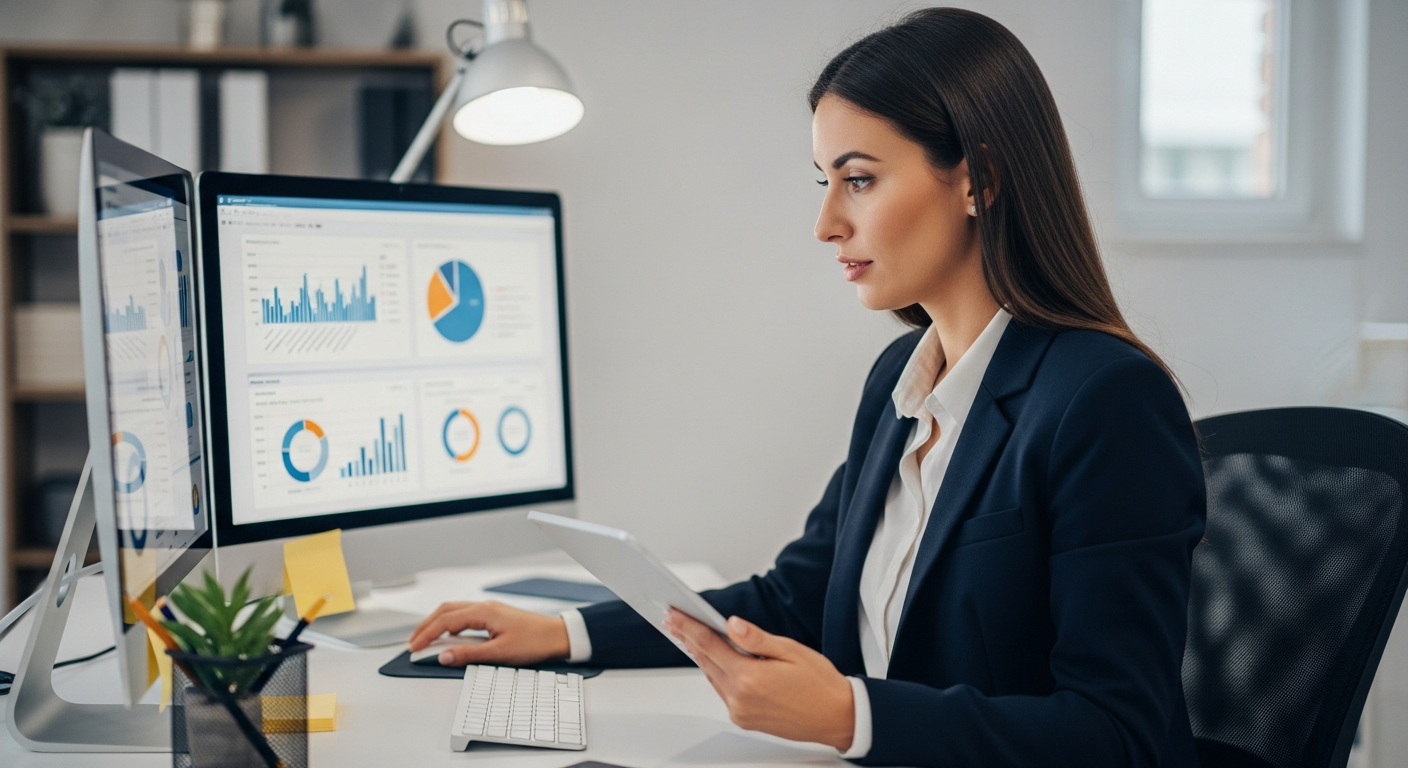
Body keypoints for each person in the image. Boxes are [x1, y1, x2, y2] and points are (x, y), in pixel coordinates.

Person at [408, 7, 1206, 766]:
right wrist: (565, 633)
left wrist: (849, 717)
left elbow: (1118, 736)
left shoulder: (1107, 403)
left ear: (979, 179)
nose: (826, 223)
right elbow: (797, 596)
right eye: (823, 180)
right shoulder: (900, 380)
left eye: (858, 179)